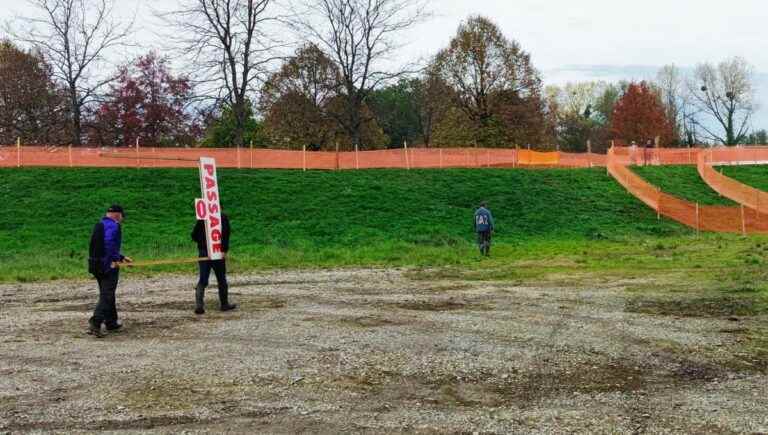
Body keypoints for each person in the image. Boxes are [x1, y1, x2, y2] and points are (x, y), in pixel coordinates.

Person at [88, 205, 132, 338]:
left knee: (108, 293)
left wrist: (122, 257)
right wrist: (115, 260)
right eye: (122, 216)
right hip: (107, 265)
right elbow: (109, 246)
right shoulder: (114, 226)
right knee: (107, 295)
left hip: (95, 264)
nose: (122, 220)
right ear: (118, 215)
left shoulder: (100, 224)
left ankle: (111, 322)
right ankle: (96, 321)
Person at [191, 213, 236, 314]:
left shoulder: (203, 218)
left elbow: (194, 235)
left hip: (204, 252)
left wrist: (202, 242)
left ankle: (199, 306)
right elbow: (225, 234)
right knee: (221, 279)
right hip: (217, 252)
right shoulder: (223, 217)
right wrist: (224, 250)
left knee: (203, 279)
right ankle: (224, 304)